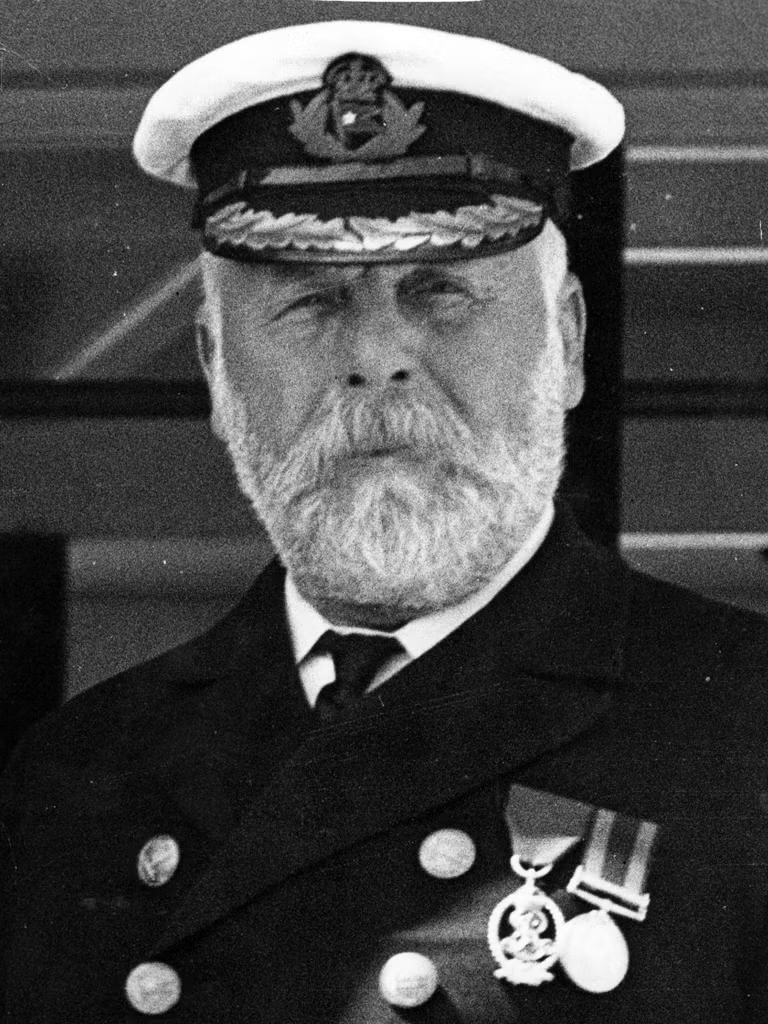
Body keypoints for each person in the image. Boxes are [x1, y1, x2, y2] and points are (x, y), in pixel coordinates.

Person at [2, 19, 768, 1024]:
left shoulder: (746, 728)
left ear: (569, 342)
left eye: (441, 290)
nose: (377, 358)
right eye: (310, 302)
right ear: (215, 371)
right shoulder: (74, 777)